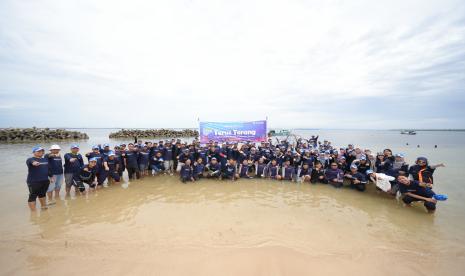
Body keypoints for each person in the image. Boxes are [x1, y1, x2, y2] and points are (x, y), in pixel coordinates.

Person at [26, 146, 51, 211]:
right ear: (34, 152)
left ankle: (43, 206)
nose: (41, 152)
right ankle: (33, 212)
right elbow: (30, 161)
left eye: (42, 151)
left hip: (45, 181)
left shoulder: (45, 159)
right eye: (39, 151)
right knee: (32, 196)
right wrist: (34, 163)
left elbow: (47, 169)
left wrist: (51, 177)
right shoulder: (30, 159)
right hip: (34, 182)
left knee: (42, 194)